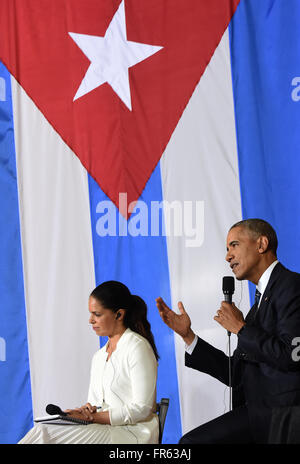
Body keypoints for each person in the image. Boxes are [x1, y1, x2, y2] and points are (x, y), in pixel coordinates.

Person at [156, 218, 300, 444]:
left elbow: (293, 355)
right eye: (226, 249)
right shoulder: (258, 306)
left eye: (234, 245)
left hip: (284, 415)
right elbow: (236, 373)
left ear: (261, 244)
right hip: (256, 413)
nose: (227, 256)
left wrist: (241, 329)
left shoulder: (291, 286)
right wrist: (189, 336)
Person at [19, 281, 159, 444]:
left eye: (97, 314)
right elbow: (96, 405)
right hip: (103, 429)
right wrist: (84, 412)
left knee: (45, 433)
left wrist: (93, 416)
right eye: (90, 314)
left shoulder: (137, 347)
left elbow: (142, 409)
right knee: (43, 430)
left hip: (131, 433)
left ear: (119, 315)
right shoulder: (99, 357)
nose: (90, 320)